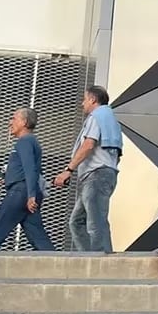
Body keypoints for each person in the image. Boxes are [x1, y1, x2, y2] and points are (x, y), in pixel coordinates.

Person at [54, 85, 122, 253]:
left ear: (92, 100)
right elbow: (117, 155)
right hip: (101, 175)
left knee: (95, 222)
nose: (82, 104)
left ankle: (101, 261)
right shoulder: (111, 121)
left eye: (84, 99)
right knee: (77, 222)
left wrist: (68, 170)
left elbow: (88, 144)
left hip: (96, 176)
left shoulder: (97, 117)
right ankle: (88, 257)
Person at [0, 108, 54, 252]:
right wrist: (8, 179)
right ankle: (58, 267)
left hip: (21, 192)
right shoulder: (31, 141)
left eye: (14, 118)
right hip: (26, 191)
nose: (10, 123)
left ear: (24, 122)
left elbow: (30, 168)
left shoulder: (25, 141)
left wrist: (30, 195)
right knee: (38, 236)